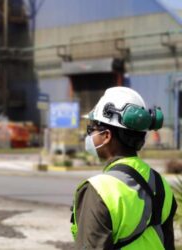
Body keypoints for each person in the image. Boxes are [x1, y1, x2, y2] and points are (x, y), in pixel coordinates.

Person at [71, 86, 177, 249]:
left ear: (106, 136)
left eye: (92, 129)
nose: (89, 135)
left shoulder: (99, 190)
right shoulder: (162, 185)